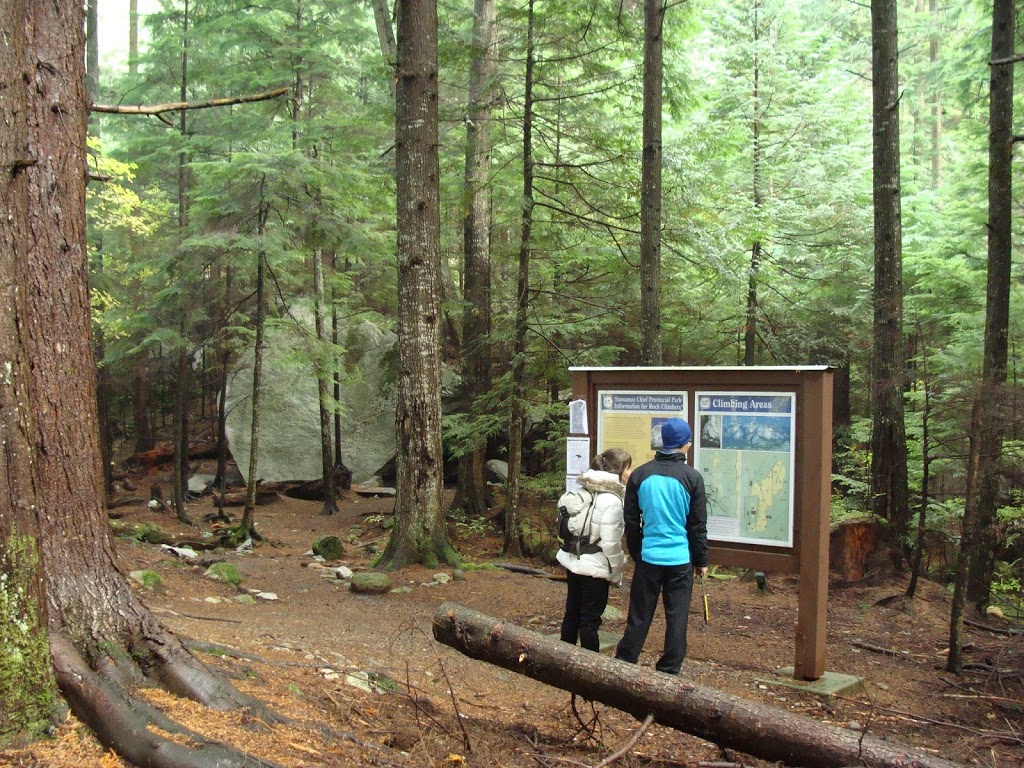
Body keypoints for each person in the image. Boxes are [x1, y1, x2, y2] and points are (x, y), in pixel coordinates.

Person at [615, 417, 708, 674]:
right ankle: (669, 669)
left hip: (649, 557)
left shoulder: (640, 475)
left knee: (639, 615)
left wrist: (637, 553)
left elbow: (631, 521)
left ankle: (625, 662)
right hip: (679, 560)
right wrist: (701, 561)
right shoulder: (692, 478)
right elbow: (697, 526)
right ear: (685, 445)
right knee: (677, 617)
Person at [557, 447, 632, 652]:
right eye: (628, 468)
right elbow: (610, 543)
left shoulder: (582, 489)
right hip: (596, 566)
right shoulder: (613, 500)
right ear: (618, 471)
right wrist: (617, 571)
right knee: (590, 621)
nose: (630, 473)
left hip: (573, 560)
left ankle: (562, 658)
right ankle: (590, 667)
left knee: (572, 612)